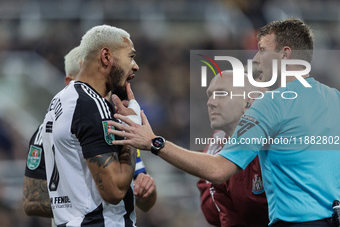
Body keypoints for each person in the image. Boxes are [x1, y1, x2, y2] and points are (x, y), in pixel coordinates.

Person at [106, 18, 340, 226]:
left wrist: (155, 143)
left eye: (261, 50)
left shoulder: (270, 104)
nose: (256, 59)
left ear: (285, 55)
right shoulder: (335, 98)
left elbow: (218, 170)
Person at [23, 46, 156, 220]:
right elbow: (31, 201)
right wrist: (86, 200)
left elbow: (144, 201)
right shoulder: (45, 133)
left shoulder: (120, 128)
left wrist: (146, 193)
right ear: (69, 83)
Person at [197, 71, 268, 227]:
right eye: (210, 95)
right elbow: (213, 211)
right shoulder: (219, 145)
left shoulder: (281, 140)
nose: (210, 102)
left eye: (222, 93)